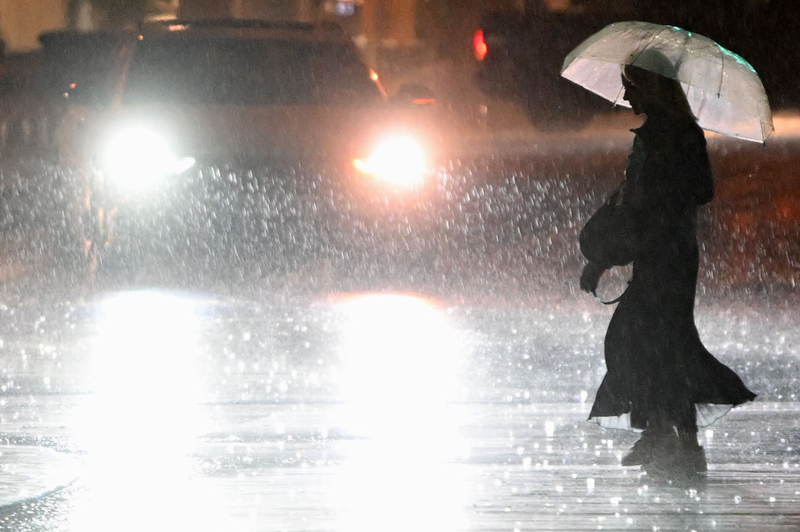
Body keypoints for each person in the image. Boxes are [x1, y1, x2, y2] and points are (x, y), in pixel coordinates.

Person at [578, 55, 757, 478]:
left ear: (654, 87)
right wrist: (606, 253)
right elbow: (633, 199)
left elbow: (702, 190)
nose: (627, 94)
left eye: (633, 85)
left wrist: (663, 187)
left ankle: (664, 432)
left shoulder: (680, 135)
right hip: (654, 251)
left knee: (641, 339)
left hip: (672, 255)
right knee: (663, 344)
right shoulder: (649, 136)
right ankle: (675, 437)